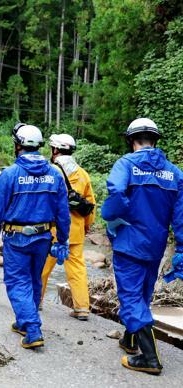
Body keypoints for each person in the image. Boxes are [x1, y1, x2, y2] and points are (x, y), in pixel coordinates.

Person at [101, 118, 183, 375]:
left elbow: (115, 193)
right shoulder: (174, 173)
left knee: (130, 296)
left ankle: (150, 357)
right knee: (143, 293)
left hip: (129, 244)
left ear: (131, 140)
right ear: (155, 140)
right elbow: (181, 215)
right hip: (155, 245)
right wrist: (180, 247)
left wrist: (113, 218)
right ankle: (130, 339)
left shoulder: (126, 164)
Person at [0, 124, 70, 349]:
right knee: (33, 280)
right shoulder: (54, 174)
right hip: (43, 238)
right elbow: (63, 212)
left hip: (18, 238)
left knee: (17, 281)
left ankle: (32, 329)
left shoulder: (11, 174)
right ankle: (23, 321)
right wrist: (62, 239)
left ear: (18, 145)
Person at [40, 134, 96, 321]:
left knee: (42, 268)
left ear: (55, 150)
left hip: (51, 230)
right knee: (77, 270)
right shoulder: (82, 174)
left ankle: (35, 301)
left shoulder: (49, 171)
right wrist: (87, 227)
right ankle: (82, 308)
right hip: (76, 231)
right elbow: (90, 204)